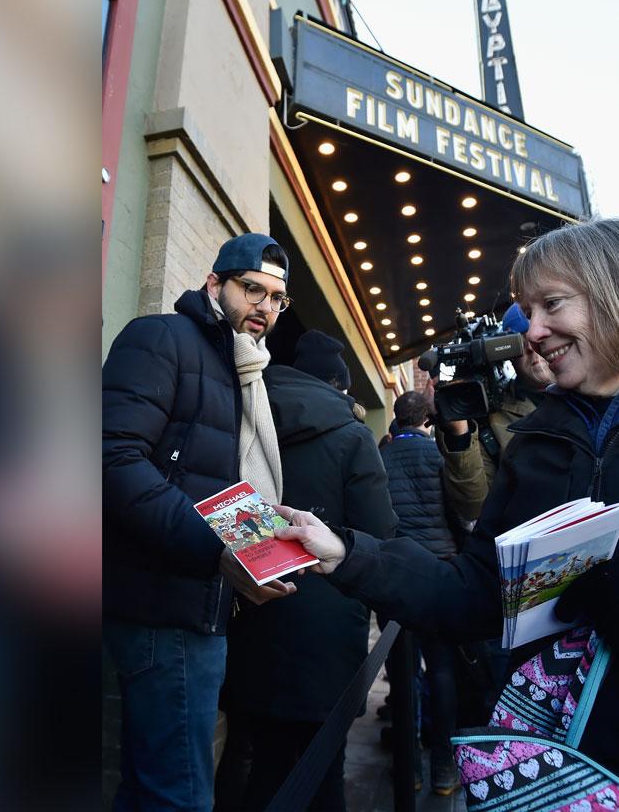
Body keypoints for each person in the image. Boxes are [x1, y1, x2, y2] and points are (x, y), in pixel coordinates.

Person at [277, 217, 619, 807]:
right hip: (569, 775)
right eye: (526, 311)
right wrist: (348, 553)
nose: (532, 333)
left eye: (552, 305)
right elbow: (473, 595)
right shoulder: (537, 442)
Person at [103, 232, 299, 812]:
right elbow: (111, 457)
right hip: (165, 608)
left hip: (197, 606)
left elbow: (214, 481)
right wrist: (217, 549)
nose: (264, 306)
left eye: (276, 298)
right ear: (215, 284)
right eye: (251, 290)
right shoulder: (163, 338)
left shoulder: (243, 370)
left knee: (150, 787)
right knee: (181, 796)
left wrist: (265, 539)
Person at [214, 330, 396, 812]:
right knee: (322, 768)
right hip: (328, 630)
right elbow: (379, 531)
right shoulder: (353, 435)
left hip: (251, 611)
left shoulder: (241, 418)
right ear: (338, 384)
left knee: (255, 760)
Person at [381, 390, 463, 796]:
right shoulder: (440, 456)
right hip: (441, 574)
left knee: (403, 671)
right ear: (427, 421)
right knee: (443, 669)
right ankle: (445, 767)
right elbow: (460, 512)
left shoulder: (382, 457)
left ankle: (408, 765)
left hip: (396, 575)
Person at [436, 302, 552, 528]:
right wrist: (459, 434)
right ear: (506, 351)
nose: (531, 349)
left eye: (538, 338)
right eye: (520, 341)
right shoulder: (492, 418)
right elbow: (473, 507)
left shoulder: (592, 391)